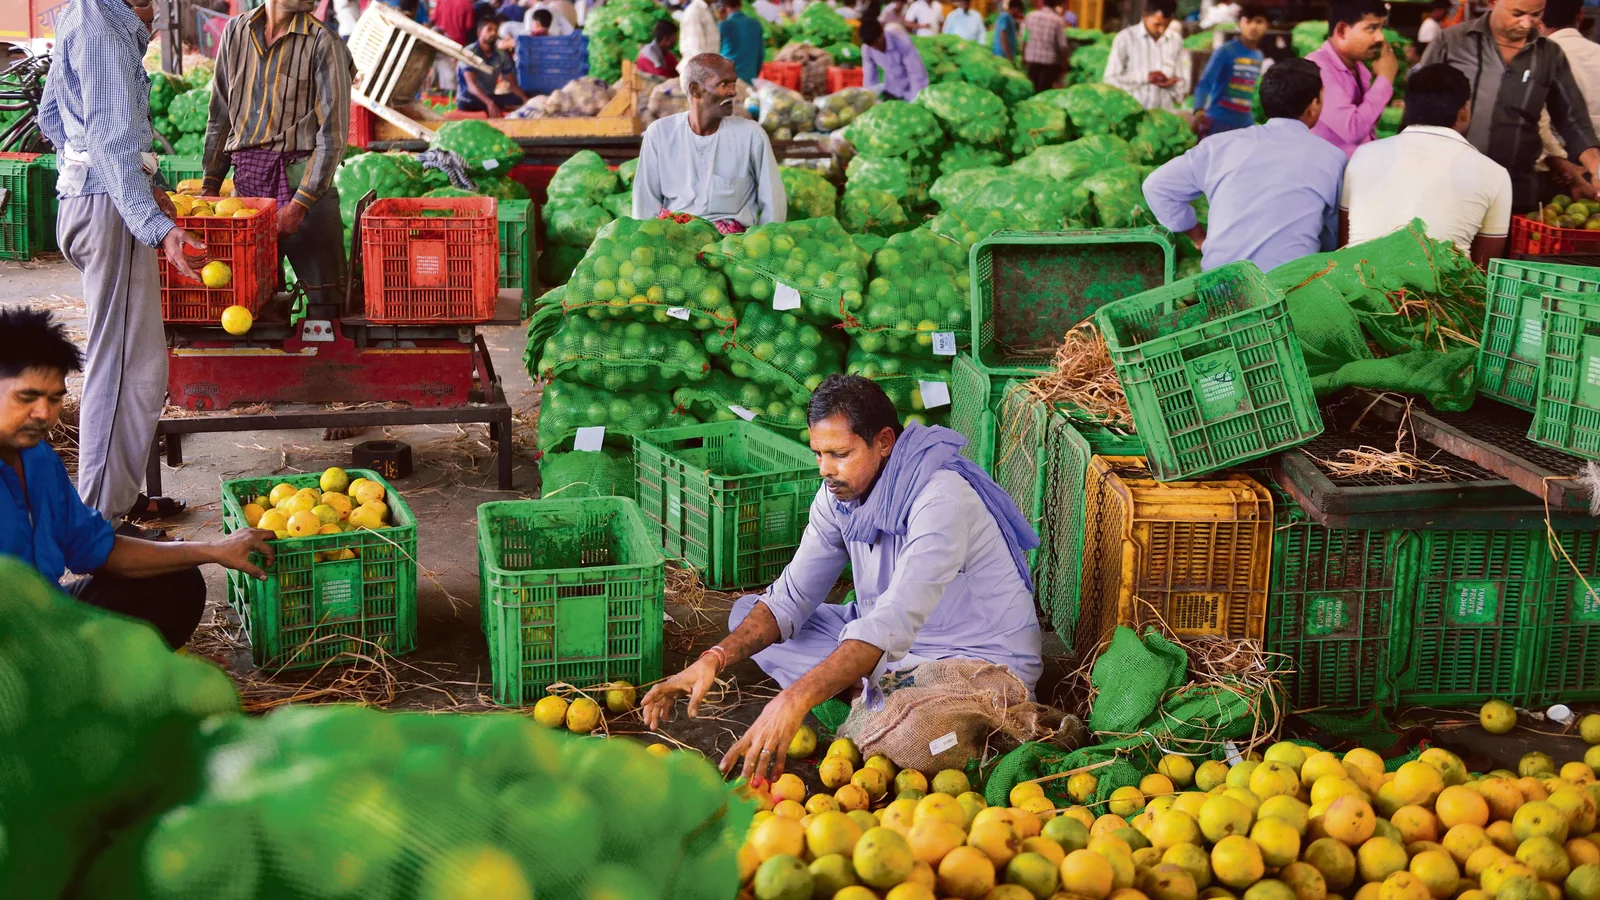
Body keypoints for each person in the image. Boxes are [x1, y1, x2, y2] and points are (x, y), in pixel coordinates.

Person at [639, 375, 1042, 780]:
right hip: (886, 642)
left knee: (916, 743)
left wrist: (793, 701)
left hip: (974, 661)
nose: (825, 470)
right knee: (746, 614)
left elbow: (891, 621)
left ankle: (870, 694)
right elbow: (789, 598)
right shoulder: (839, 494)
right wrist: (714, 658)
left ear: (884, 442)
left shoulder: (940, 499)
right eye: (818, 454)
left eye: (840, 453)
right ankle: (871, 690)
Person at [0, 309, 277, 650]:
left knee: (175, 580)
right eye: (26, 398)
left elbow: (97, 549)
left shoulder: (39, 460)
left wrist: (213, 550)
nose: (44, 413)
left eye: (55, 398)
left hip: (49, 626)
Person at [38, 0, 209, 529]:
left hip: (93, 199)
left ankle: (112, 499)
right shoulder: (103, 28)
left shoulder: (85, 16)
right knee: (123, 372)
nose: (158, 11)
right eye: (152, 5)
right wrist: (158, 225)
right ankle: (99, 525)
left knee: (133, 364)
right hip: (107, 209)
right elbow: (112, 142)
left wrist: (139, 185)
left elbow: (52, 117)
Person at [1143, 58, 1347, 272]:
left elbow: (1157, 186)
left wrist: (1198, 237)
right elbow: (1331, 238)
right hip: (1291, 290)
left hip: (1220, 288)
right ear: (1313, 105)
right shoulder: (1332, 159)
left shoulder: (1219, 146)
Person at [1423, 0, 1600, 208]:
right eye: (1517, 13)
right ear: (1491, 2)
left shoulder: (1549, 54)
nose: (1526, 24)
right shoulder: (1452, 41)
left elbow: (1573, 120)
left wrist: (1596, 167)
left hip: (1514, 189)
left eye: (1536, 15)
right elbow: (1418, 105)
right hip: (1448, 181)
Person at [1339, 65, 1512, 266]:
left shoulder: (1363, 155)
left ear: (1406, 107)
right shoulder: (1495, 174)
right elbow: (1484, 268)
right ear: (1464, 110)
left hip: (1357, 285)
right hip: (1441, 295)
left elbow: (1345, 243)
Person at [633, 54, 787, 233]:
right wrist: (649, 240)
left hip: (733, 245)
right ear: (696, 90)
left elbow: (773, 200)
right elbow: (645, 201)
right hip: (675, 239)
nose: (733, 92)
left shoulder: (751, 134)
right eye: (723, 84)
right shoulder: (660, 133)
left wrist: (762, 242)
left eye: (733, 83)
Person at [1306, 0, 1398, 156]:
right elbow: (1353, 130)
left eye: (1381, 27)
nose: (1380, 37)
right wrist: (1385, 79)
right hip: (1331, 174)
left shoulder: (1358, 67)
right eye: (1371, 28)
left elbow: (1368, 124)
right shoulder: (1319, 68)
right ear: (1342, 30)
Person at [1537, 0, 1600, 198]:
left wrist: (1570, 171)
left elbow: (1540, 124)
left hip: (1554, 168)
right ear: (1580, 14)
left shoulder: (1535, 59)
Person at [1193, 5, 1269, 136]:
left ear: (1267, 26)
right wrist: (1198, 110)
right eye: (1248, 21)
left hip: (1245, 125)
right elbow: (1206, 82)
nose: (1253, 27)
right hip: (1218, 122)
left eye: (1259, 21)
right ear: (1239, 24)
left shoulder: (1259, 56)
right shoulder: (1225, 51)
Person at [1104, 0, 1191, 111]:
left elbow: (1182, 83)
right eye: (1157, 24)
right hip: (1132, 114)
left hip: (1164, 116)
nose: (1161, 30)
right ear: (1145, 15)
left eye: (1166, 25)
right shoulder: (1125, 38)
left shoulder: (1176, 41)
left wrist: (1173, 84)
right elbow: (1110, 79)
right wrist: (1145, 77)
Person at [454, 15, 527, 115]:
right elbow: (472, 86)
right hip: (468, 99)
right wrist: (490, 103)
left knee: (517, 99)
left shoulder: (501, 55)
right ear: (479, 32)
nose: (493, 33)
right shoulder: (468, 52)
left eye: (495, 30)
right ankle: (497, 106)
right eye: (489, 29)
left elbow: (512, 84)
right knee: (480, 101)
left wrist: (525, 100)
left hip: (489, 96)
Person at [861, 15, 930, 100]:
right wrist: (869, 96)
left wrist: (917, 99)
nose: (875, 47)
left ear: (882, 32)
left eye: (877, 42)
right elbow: (869, 75)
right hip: (891, 89)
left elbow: (916, 73)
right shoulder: (867, 49)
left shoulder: (902, 42)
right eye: (871, 45)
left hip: (910, 91)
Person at [1022, 0, 1072, 92]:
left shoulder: (1030, 16)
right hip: (1049, 63)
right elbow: (1063, 46)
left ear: (1043, 3)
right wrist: (1065, 63)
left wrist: (1023, 56)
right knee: (1044, 91)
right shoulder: (1058, 20)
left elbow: (1025, 38)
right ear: (1056, 4)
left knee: (1031, 88)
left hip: (1031, 60)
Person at [718, 0, 765, 83]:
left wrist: (721, 20)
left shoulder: (723, 25)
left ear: (723, 8)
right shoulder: (755, 24)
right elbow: (760, 54)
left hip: (727, 79)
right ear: (741, 5)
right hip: (750, 77)